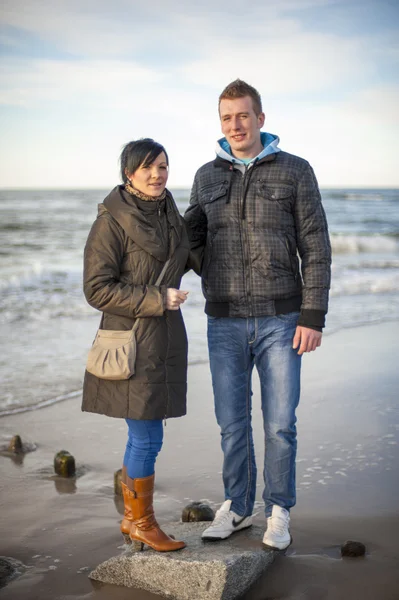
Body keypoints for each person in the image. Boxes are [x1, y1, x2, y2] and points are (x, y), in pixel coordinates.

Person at [184, 79, 331, 550]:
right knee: (231, 422)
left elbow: (316, 245)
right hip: (223, 320)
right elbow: (189, 241)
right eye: (227, 118)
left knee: (279, 423)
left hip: (281, 318)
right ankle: (238, 507)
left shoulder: (295, 171)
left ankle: (279, 510)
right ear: (220, 124)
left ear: (261, 119)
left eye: (243, 116)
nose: (235, 125)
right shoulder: (206, 177)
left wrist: (313, 314)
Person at [82, 138, 190, 552]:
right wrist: (157, 299)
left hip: (164, 340)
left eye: (162, 166)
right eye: (147, 167)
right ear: (128, 174)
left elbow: (189, 255)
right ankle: (141, 521)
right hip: (130, 342)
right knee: (146, 437)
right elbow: (96, 289)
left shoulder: (170, 214)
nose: (157, 174)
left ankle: (133, 520)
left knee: (145, 435)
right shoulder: (111, 221)